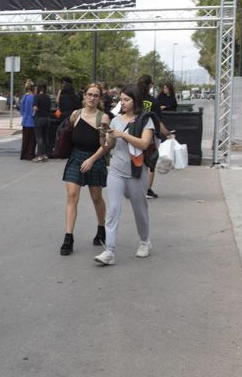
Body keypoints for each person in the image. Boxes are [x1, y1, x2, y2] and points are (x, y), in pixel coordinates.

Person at [94, 85, 154, 266]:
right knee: (113, 209)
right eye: (121, 100)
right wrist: (105, 135)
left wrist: (123, 135)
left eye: (127, 99)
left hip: (136, 171)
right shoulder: (115, 120)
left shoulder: (145, 120)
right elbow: (109, 146)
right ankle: (109, 251)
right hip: (116, 170)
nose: (123, 103)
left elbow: (144, 144)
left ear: (135, 100)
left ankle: (144, 241)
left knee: (139, 209)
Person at [60, 82, 110, 256]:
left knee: (96, 197)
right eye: (89, 94)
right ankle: (68, 237)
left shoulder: (103, 118)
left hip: (94, 159)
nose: (92, 98)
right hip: (75, 157)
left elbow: (104, 146)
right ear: (84, 96)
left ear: (99, 98)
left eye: (96, 95)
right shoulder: (75, 114)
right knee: (72, 195)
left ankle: (101, 228)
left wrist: (92, 159)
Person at [137, 74, 171, 199]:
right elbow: (158, 122)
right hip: (149, 135)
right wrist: (168, 134)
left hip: (133, 133)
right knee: (150, 163)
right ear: (150, 85)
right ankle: (147, 189)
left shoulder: (133, 99)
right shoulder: (153, 101)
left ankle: (133, 187)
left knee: (134, 159)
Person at [33, 83, 52, 162]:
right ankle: (45, 154)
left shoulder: (36, 97)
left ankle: (40, 155)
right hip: (47, 118)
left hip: (39, 118)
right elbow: (50, 107)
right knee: (45, 137)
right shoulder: (48, 97)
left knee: (39, 137)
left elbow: (35, 108)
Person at [19, 80, 37, 160]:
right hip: (32, 121)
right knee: (32, 140)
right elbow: (34, 110)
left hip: (25, 120)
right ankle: (30, 154)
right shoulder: (33, 97)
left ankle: (23, 154)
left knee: (25, 139)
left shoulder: (24, 97)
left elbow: (21, 110)